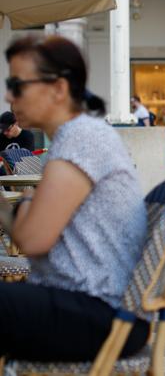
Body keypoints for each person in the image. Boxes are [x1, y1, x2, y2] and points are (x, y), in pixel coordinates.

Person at [0, 35, 149, 360]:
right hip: (89, 305)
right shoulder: (79, 136)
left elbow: (32, 240)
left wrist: (21, 205)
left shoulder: (81, 140)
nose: (9, 96)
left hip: (96, 312)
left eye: (17, 84)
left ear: (58, 88)